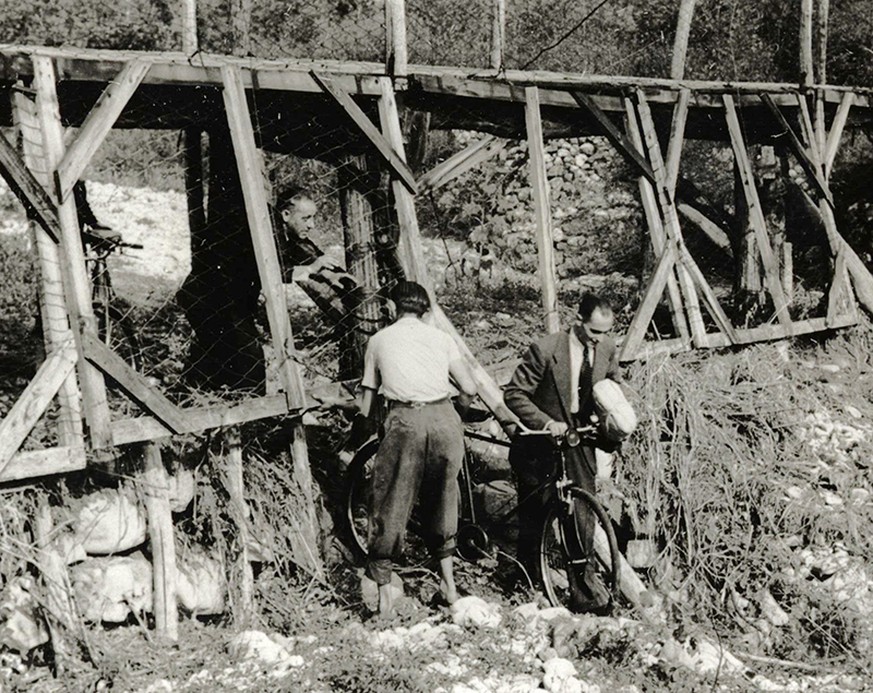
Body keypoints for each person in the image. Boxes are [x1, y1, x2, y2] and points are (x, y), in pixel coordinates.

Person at [356, 281, 477, 618]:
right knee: (443, 498)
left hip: (405, 420)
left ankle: (384, 600)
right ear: (424, 312)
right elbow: (468, 387)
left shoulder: (378, 340)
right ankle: (449, 587)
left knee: (391, 501)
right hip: (444, 419)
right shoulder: (441, 338)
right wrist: (457, 417)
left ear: (393, 309)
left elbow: (366, 402)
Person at [503, 292, 620, 613]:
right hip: (541, 444)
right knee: (536, 512)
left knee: (581, 514)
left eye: (605, 332)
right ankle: (524, 580)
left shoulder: (607, 348)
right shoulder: (546, 349)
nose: (599, 339)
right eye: (594, 331)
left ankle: (584, 593)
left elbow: (613, 382)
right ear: (578, 321)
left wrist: (609, 414)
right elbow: (514, 394)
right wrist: (546, 422)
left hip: (579, 441)